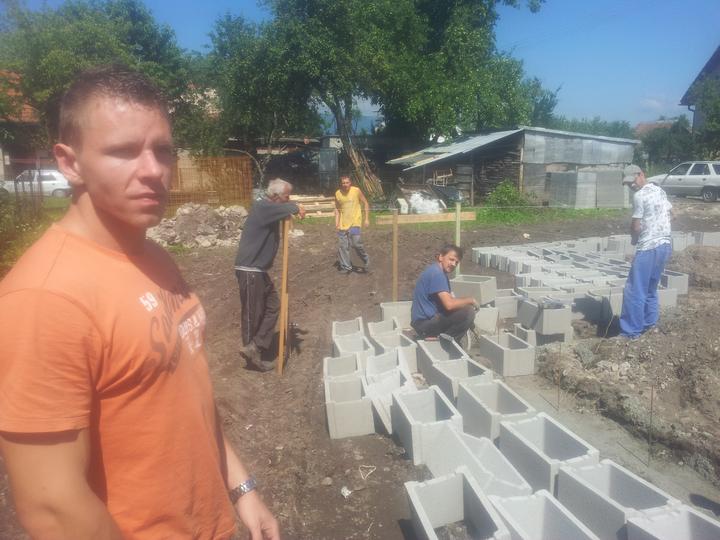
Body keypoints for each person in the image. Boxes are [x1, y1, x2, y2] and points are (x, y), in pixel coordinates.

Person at [0, 66, 279, 540]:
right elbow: (52, 508)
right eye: (124, 151)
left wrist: (241, 487)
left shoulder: (152, 256)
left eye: (162, 150)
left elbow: (188, 396)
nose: (153, 170)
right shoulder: (44, 300)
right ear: (70, 163)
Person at [235, 178, 305, 371]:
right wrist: (296, 207)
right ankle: (251, 355)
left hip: (259, 270)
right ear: (275, 196)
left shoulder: (270, 208)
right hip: (250, 269)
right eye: (286, 196)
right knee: (252, 314)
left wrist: (291, 207)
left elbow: (286, 208)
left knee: (274, 305)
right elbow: (290, 208)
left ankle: (255, 345)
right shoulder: (263, 207)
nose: (288, 199)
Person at [619, 164, 673, 338]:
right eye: (628, 184)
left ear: (641, 174)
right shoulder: (660, 191)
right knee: (650, 288)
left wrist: (634, 238)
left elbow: (636, 226)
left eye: (632, 181)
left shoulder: (639, 195)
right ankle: (650, 326)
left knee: (634, 290)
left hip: (648, 247)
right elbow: (673, 214)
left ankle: (630, 332)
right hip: (664, 245)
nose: (631, 185)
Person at [411, 244, 478, 344]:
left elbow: (448, 302)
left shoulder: (435, 271)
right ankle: (446, 343)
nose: (453, 264)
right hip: (425, 324)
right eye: (451, 259)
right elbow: (449, 305)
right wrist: (470, 300)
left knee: (463, 309)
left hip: (421, 322)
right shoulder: (438, 274)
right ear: (441, 257)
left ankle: (446, 339)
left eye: (456, 262)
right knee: (468, 312)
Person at [334, 175, 370, 274]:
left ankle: (366, 259)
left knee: (356, 244)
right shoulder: (337, 193)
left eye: (347, 182)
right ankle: (346, 267)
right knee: (343, 246)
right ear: (341, 184)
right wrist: (337, 223)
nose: (345, 184)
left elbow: (366, 203)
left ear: (350, 183)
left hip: (355, 223)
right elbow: (337, 209)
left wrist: (366, 219)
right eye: (343, 183)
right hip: (342, 224)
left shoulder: (356, 191)